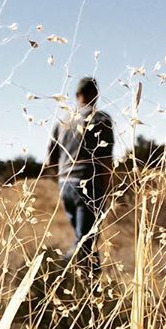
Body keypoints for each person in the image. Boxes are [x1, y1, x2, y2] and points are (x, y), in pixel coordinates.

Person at [44, 76, 114, 279]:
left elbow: (50, 161)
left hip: (65, 184)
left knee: (83, 237)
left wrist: (63, 176)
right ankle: (60, 275)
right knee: (85, 240)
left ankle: (86, 283)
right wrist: (106, 190)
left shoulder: (63, 122)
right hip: (88, 183)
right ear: (96, 95)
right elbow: (105, 161)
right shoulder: (101, 119)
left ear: (77, 96)